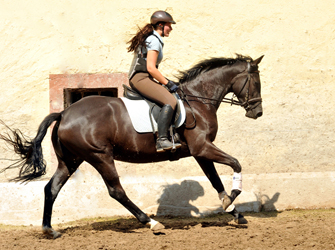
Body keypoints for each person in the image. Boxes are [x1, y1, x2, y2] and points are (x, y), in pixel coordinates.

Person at [127, 10, 181, 153]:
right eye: (169, 25)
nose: (171, 28)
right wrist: (167, 82)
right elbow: (151, 68)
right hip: (141, 78)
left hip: (145, 77)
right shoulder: (154, 40)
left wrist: (166, 82)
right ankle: (162, 139)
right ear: (161, 25)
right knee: (171, 101)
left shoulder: (153, 39)